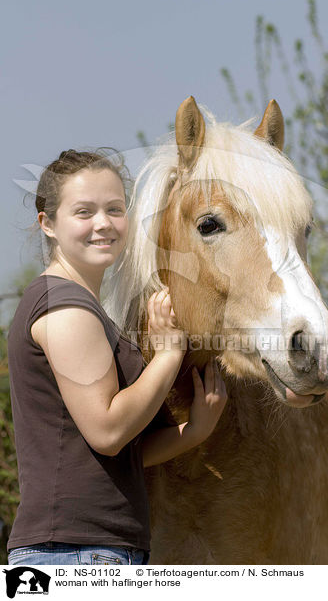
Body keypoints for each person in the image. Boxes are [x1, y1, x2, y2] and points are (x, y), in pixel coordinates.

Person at [7, 149, 227, 566]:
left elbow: (116, 455)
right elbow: (108, 431)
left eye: (114, 208)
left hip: (92, 550)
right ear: (48, 224)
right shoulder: (65, 308)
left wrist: (194, 431)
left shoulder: (80, 306)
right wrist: (169, 354)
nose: (103, 223)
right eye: (84, 212)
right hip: (75, 553)